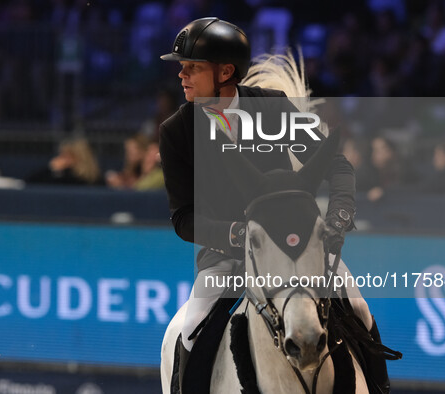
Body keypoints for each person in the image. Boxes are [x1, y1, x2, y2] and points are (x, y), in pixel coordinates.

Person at [159, 17, 393, 394]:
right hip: (228, 256)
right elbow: (183, 217)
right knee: (191, 327)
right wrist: (235, 234)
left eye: (192, 68)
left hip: (297, 243)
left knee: (359, 309)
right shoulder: (176, 131)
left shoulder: (273, 108)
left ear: (226, 72)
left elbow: (336, 165)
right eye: (182, 68)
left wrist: (339, 215)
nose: (181, 76)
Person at [27, 138, 102, 186]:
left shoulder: (94, 179)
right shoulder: (60, 174)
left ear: (80, 159)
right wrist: (51, 169)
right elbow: (29, 182)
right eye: (61, 155)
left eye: (66, 157)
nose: (61, 159)